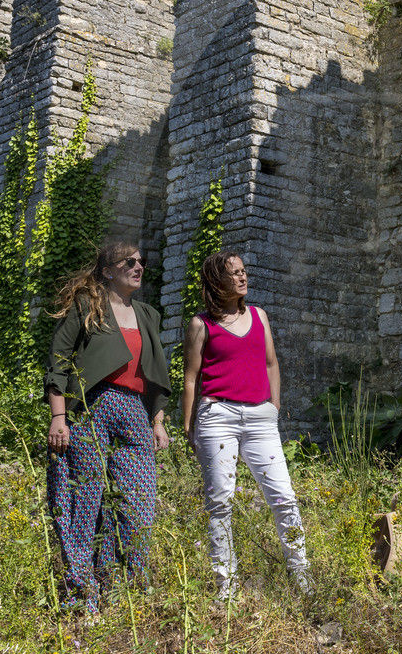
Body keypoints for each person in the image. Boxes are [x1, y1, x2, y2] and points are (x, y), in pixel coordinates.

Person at [45, 239, 172, 615]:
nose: (138, 266)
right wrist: (58, 416)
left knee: (138, 504)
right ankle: (83, 595)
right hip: (92, 404)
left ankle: (128, 591)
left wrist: (157, 420)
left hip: (134, 410)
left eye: (141, 261)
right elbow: (58, 359)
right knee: (86, 501)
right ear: (107, 271)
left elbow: (152, 372)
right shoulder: (88, 306)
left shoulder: (148, 314)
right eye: (128, 261)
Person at [183, 250, 310, 598]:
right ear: (215, 281)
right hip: (216, 417)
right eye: (233, 273)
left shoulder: (259, 315)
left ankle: (302, 580)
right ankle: (227, 587)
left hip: (260, 417)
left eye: (243, 271)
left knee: (284, 497)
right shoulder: (201, 324)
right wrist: (188, 425)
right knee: (220, 501)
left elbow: (271, 363)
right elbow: (191, 378)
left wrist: (274, 406)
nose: (242, 278)